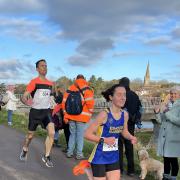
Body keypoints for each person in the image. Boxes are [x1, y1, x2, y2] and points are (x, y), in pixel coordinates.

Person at [84, 84, 137, 180]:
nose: (123, 98)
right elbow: (87, 134)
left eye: (124, 95)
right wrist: (104, 140)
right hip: (99, 157)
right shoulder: (104, 115)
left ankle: (90, 175)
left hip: (113, 156)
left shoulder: (125, 114)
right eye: (119, 95)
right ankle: (90, 174)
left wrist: (131, 137)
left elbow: (124, 131)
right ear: (111, 97)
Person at [19, 59, 55, 168]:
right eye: (42, 66)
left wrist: (53, 102)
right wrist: (25, 100)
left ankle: (47, 156)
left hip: (46, 112)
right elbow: (24, 96)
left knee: (52, 132)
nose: (44, 67)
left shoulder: (50, 83)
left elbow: (50, 96)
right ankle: (25, 148)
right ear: (37, 69)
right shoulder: (34, 82)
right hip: (35, 112)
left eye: (46, 66)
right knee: (30, 136)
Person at [62, 74, 94, 160]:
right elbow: (90, 103)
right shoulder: (86, 89)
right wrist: (91, 112)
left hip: (70, 116)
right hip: (82, 117)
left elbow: (64, 103)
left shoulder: (69, 88)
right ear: (84, 79)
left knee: (72, 134)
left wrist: (65, 115)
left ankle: (69, 152)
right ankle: (79, 154)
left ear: (76, 79)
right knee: (80, 135)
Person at [154, 86, 180, 180]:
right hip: (164, 137)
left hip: (174, 138)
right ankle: (165, 177)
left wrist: (166, 112)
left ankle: (173, 178)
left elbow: (178, 121)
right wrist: (157, 113)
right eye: (171, 93)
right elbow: (160, 121)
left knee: (173, 160)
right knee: (166, 159)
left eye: (175, 93)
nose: (173, 95)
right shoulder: (167, 104)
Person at [118, 77, 142, 176]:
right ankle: (131, 170)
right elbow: (140, 109)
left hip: (120, 124)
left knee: (119, 147)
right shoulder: (135, 95)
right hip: (131, 125)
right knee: (129, 148)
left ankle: (119, 170)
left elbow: (118, 108)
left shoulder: (121, 95)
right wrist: (136, 119)